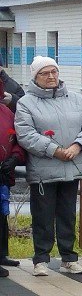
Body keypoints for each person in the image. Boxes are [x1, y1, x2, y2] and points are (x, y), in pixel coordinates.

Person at [15, 56, 82, 276]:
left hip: (72, 166)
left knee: (68, 215)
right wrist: (55, 150)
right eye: (45, 73)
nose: (51, 76)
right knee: (42, 216)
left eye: (54, 72)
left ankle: (69, 258)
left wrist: (78, 145)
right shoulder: (26, 103)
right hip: (44, 170)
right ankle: (41, 260)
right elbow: (26, 134)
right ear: (35, 77)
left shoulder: (77, 99)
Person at [0, 98, 22, 272]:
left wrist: (14, 157)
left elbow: (18, 140)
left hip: (3, 172)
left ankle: (1, 254)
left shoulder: (6, 112)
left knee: (2, 215)